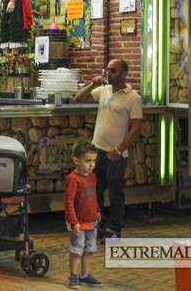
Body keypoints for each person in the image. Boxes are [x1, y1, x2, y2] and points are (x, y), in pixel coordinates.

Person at [74, 58, 143, 243]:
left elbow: (136, 128)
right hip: (97, 152)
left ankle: (115, 229)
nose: (108, 74)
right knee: (94, 192)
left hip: (115, 155)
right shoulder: (103, 90)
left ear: (123, 74)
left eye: (113, 71)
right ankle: (99, 226)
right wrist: (91, 85)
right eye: (107, 70)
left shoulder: (133, 97)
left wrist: (119, 150)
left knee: (115, 194)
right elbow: (79, 98)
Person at [64, 141, 103, 289]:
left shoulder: (92, 176)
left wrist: (97, 210)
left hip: (91, 222)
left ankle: (85, 275)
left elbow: (93, 196)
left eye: (93, 161)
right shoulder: (73, 179)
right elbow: (68, 202)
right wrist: (74, 222)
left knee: (89, 249)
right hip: (77, 224)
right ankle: (73, 276)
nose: (91, 164)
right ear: (76, 160)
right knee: (76, 249)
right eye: (88, 161)